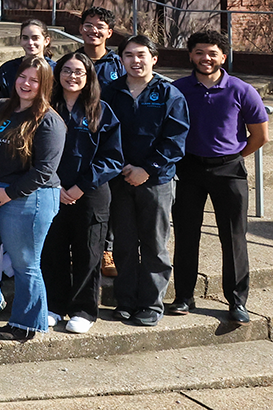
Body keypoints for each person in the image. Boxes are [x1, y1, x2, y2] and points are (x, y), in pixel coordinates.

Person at [0, 56, 65, 341]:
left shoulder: (49, 121)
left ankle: (27, 325)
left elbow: (44, 171)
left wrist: (9, 193)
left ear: (44, 85)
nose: (26, 84)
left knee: (25, 263)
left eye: (34, 80)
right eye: (23, 77)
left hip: (30, 196)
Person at [170, 31, 266, 324]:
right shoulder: (178, 89)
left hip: (229, 170)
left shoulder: (241, 90)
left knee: (233, 237)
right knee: (186, 234)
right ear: (191, 55)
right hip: (189, 168)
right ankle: (184, 296)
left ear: (223, 57)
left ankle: (237, 300)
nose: (206, 58)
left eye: (212, 53)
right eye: (199, 52)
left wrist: (232, 156)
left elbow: (260, 136)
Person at [105, 36, 188, 325]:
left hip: (157, 181)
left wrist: (147, 169)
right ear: (122, 60)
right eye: (128, 55)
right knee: (124, 244)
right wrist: (121, 168)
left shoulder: (169, 94)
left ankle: (151, 304)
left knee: (154, 244)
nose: (135, 60)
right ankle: (125, 300)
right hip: (119, 179)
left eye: (141, 55)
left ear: (154, 58)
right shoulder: (111, 92)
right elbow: (103, 133)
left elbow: (175, 141)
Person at [43, 51, 123, 333]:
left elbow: (112, 158)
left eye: (79, 72)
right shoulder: (46, 107)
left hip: (89, 193)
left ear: (89, 77)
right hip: (52, 190)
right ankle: (54, 305)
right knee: (53, 251)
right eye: (66, 70)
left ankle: (84, 311)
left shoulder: (102, 110)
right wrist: (57, 184)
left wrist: (78, 187)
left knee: (88, 253)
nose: (72, 76)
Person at [0, 19, 54, 97]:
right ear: (20, 40)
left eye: (35, 38)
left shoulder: (55, 69)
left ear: (46, 41)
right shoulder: (7, 70)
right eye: (25, 38)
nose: (30, 42)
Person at [79, 7, 124, 86]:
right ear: (81, 29)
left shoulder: (119, 65)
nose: (94, 30)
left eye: (100, 27)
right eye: (88, 26)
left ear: (109, 33)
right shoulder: (70, 62)